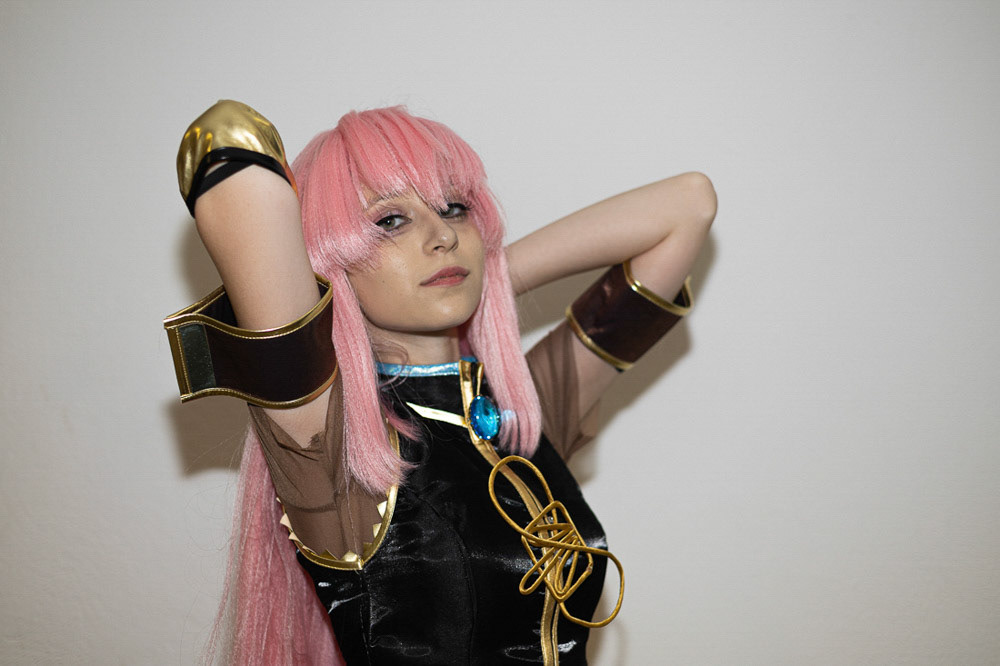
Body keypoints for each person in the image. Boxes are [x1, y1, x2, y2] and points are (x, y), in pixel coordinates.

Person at [164, 100, 716, 665]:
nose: (442, 236)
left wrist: (490, 275)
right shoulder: (341, 451)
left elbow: (689, 204)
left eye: (455, 209)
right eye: (389, 221)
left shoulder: (522, 411)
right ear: (330, 259)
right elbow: (228, 148)